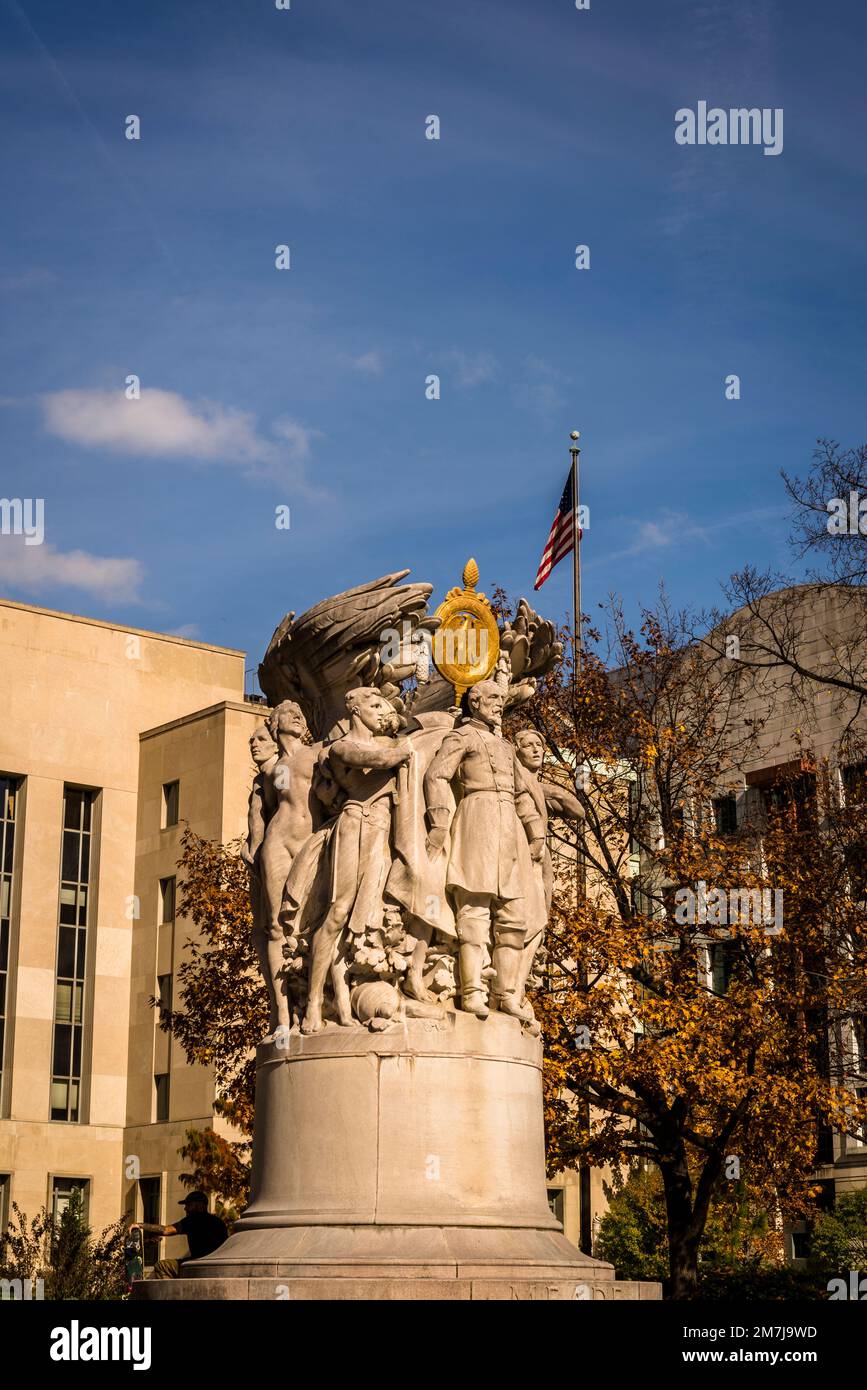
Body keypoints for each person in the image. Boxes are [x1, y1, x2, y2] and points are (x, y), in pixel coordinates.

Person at [131, 1190, 228, 1278]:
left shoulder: (192, 1220)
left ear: (199, 1205)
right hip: (216, 1265)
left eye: (188, 1205)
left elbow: (166, 1230)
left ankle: (172, 1295)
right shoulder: (219, 1222)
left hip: (196, 1265)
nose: (185, 1209)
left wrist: (140, 1225)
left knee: (162, 1266)